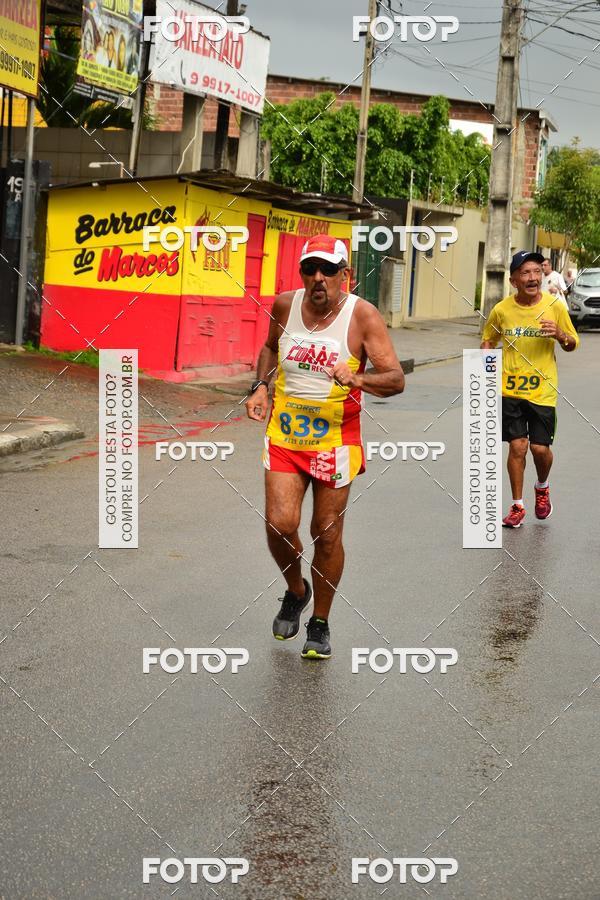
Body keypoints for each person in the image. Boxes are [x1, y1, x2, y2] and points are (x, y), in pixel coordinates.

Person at [246, 234, 405, 658]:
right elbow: (268, 348)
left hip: (336, 439)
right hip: (285, 436)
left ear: (345, 275)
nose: (319, 278)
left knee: (326, 534)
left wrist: (359, 379)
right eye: (310, 269)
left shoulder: (363, 317)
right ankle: (296, 590)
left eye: (329, 270)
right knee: (280, 523)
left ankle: (320, 622)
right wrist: (261, 387)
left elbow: (395, 379)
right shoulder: (284, 305)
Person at [481, 250, 579, 528]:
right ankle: (517, 506)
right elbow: (488, 340)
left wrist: (560, 335)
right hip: (509, 389)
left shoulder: (555, 307)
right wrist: (483, 369)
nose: (533, 277)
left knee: (539, 449)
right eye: (525, 273)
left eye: (536, 271)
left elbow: (572, 343)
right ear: (513, 281)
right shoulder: (501, 310)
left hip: (542, 391)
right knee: (517, 446)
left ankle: (542, 486)